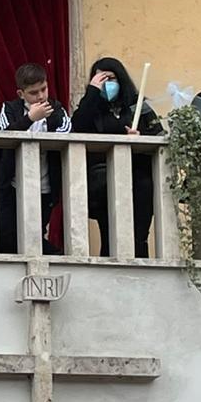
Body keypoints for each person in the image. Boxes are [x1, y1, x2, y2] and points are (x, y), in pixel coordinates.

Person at [71, 57, 161, 258]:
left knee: (139, 234)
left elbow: (158, 134)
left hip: (138, 178)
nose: (106, 84)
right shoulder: (92, 109)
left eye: (110, 79)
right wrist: (92, 92)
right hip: (103, 180)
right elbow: (78, 125)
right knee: (110, 233)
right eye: (100, 79)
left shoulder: (137, 106)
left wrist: (140, 138)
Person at [0, 62, 72, 254]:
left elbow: (66, 133)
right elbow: (4, 135)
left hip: (44, 186)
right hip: (12, 184)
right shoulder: (10, 108)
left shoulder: (57, 110)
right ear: (21, 94)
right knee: (6, 233)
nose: (40, 96)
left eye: (43, 89)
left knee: (35, 234)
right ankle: (57, 255)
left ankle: (56, 257)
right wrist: (30, 119)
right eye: (33, 92)